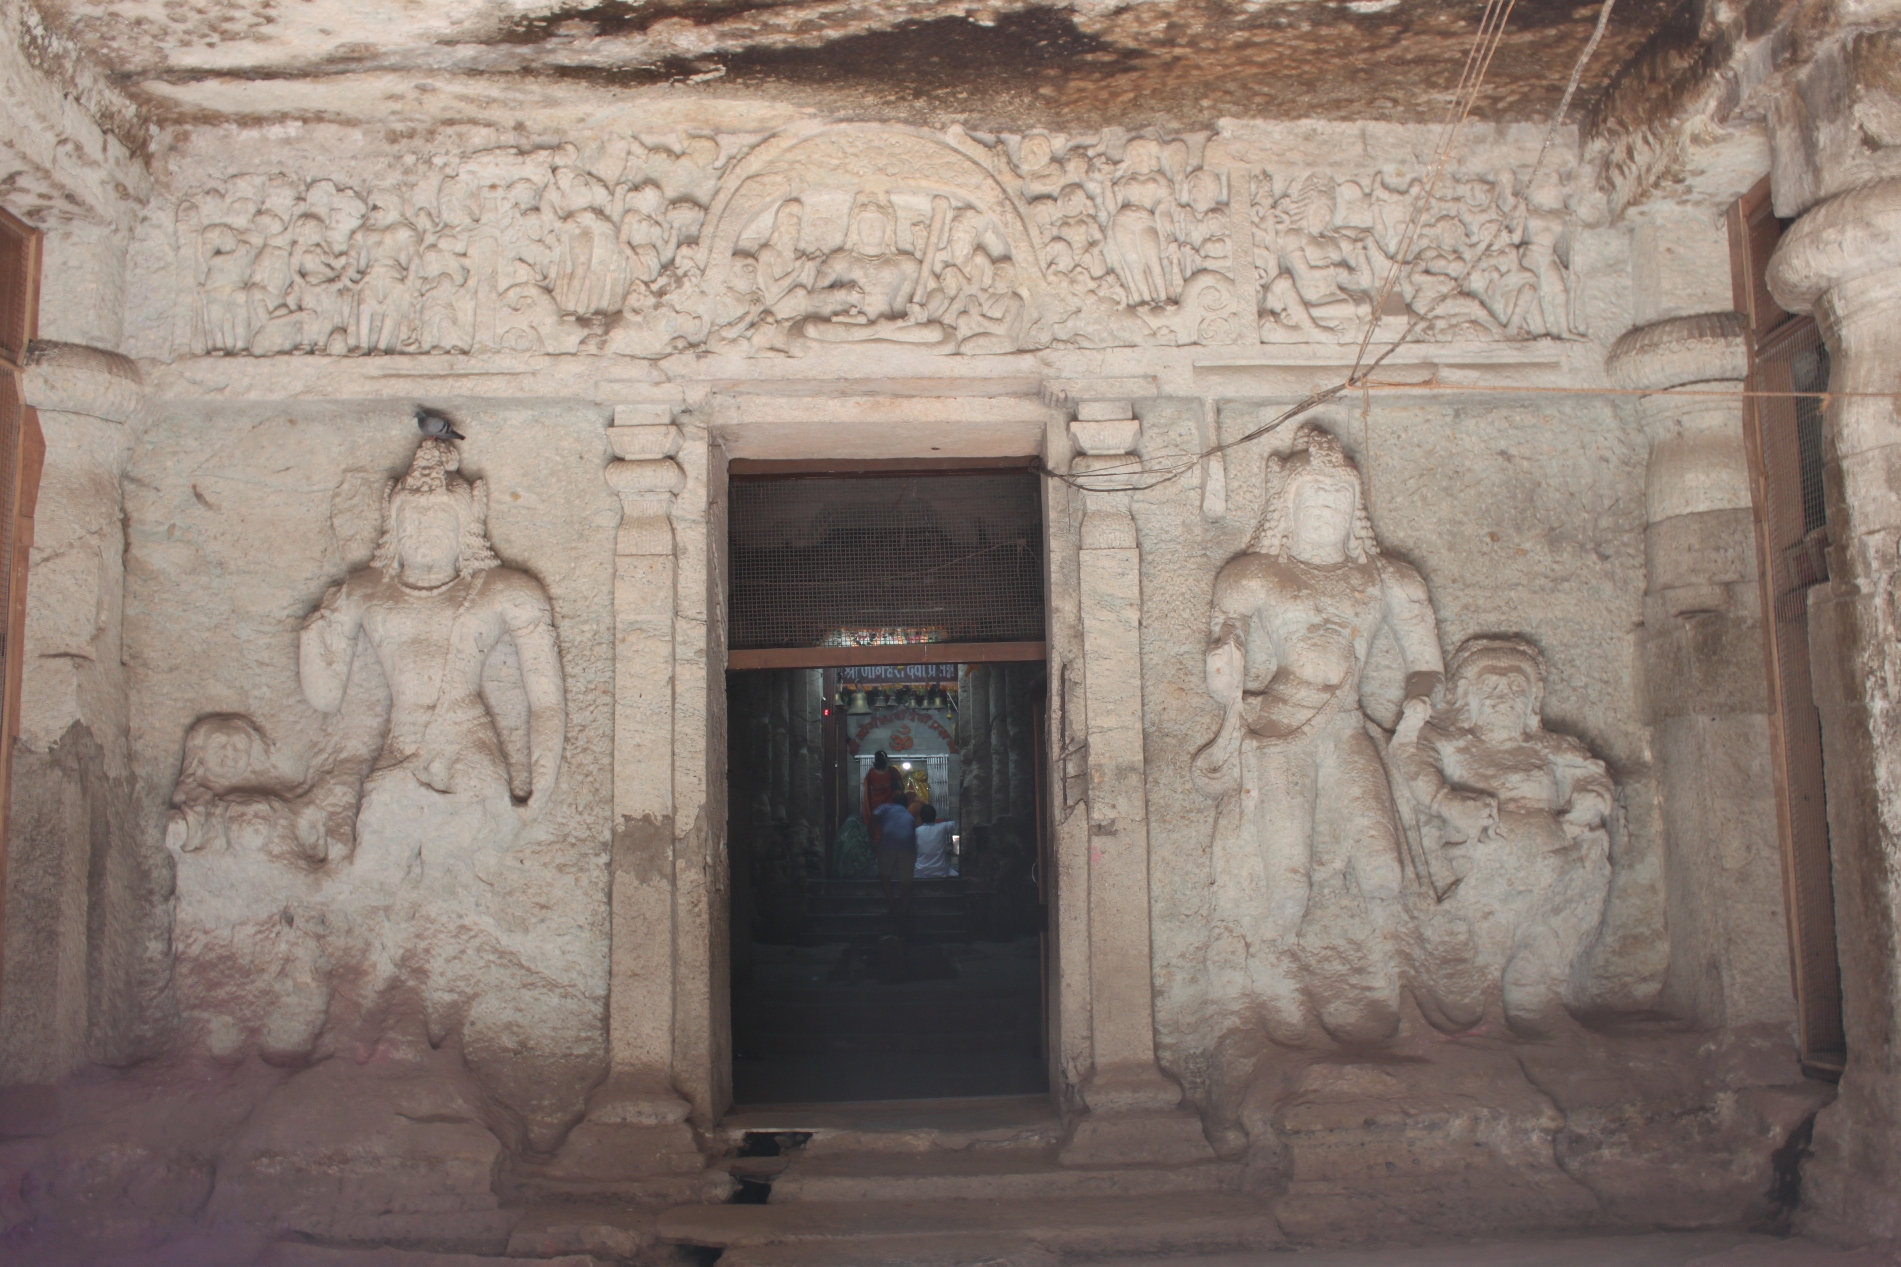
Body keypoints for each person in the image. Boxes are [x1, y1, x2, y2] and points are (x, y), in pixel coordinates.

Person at [870, 791, 920, 924]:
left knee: (884, 875)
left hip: (888, 844)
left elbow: (874, 815)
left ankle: (892, 905)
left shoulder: (886, 807)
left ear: (893, 801)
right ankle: (903, 913)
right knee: (906, 883)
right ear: (906, 804)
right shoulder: (908, 815)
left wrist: (871, 838)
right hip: (908, 847)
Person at [863, 749, 900, 844]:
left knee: (877, 830)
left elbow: (866, 790)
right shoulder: (892, 771)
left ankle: (877, 852)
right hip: (890, 807)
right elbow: (901, 788)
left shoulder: (871, 773)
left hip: (875, 806)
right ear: (886, 760)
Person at [913, 802, 957, 880]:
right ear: (935, 816)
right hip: (941, 871)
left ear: (921, 817)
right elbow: (955, 824)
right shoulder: (942, 827)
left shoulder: (916, 832)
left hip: (921, 872)